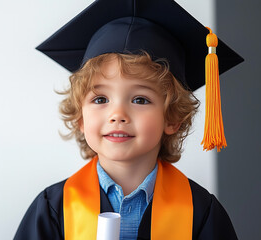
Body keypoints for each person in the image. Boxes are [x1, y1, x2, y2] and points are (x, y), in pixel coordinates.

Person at [14, 0, 243, 239]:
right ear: (80, 118)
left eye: (140, 100)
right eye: (101, 99)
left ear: (172, 118)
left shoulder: (201, 212)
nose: (118, 115)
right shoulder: (53, 210)